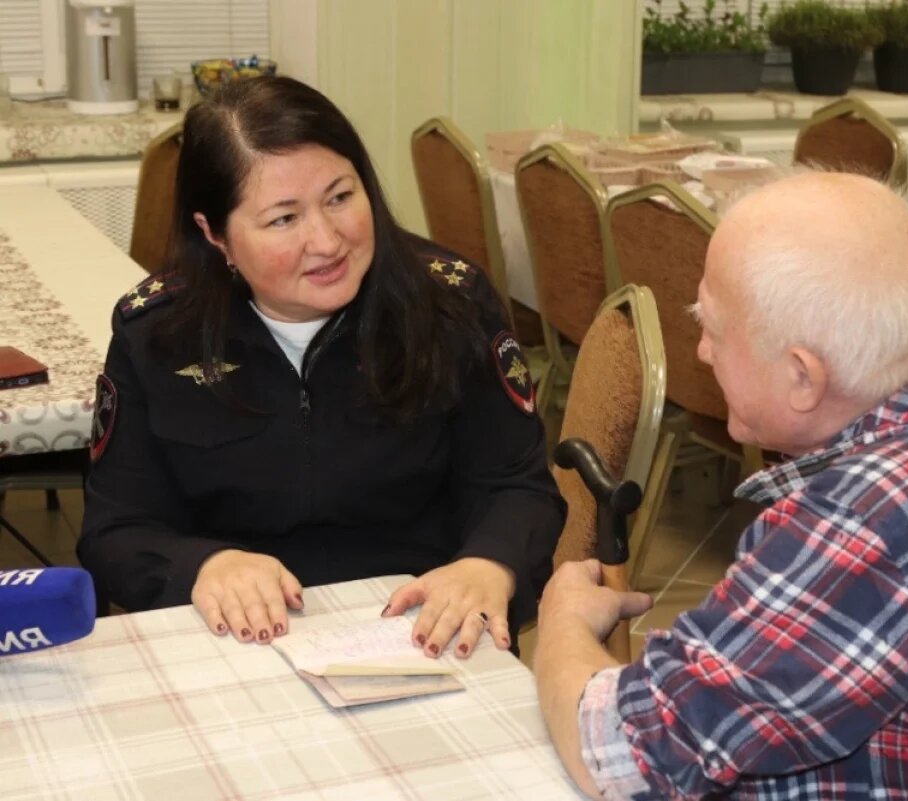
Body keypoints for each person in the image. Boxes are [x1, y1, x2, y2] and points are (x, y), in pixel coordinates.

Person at [534, 173, 908, 800]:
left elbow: (621, 757)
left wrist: (564, 625)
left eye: (713, 327)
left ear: (803, 377)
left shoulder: (862, 525)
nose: (701, 351)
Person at [78, 76, 564, 659]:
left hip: (418, 625)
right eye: (284, 219)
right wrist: (203, 565)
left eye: (340, 197)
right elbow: (115, 532)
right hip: (233, 638)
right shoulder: (158, 333)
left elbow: (517, 486)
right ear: (215, 235)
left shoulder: (450, 306)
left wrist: (490, 564)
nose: (328, 241)